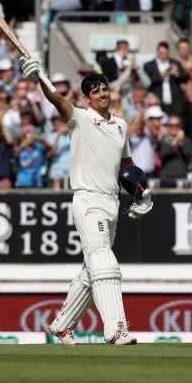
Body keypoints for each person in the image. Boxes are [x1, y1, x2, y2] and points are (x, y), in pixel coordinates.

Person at [19, 56, 152, 346]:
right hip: (88, 199)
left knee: (92, 271)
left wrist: (143, 193)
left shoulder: (120, 125)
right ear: (87, 98)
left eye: (105, 88)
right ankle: (116, 330)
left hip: (112, 201)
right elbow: (57, 99)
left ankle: (62, 326)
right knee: (104, 263)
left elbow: (127, 166)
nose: (103, 93)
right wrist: (41, 77)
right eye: (96, 91)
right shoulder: (79, 118)